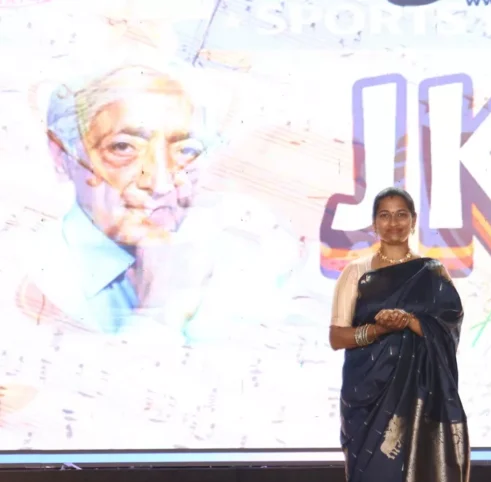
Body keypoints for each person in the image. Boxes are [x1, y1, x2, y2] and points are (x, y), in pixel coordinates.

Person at [30, 62, 297, 342]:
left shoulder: (239, 262)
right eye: (123, 147)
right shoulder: (31, 277)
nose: (161, 183)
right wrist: (159, 313)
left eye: (186, 150)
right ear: (61, 156)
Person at [329, 186, 471, 482]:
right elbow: (337, 337)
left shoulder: (432, 273)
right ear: (374, 223)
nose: (393, 223)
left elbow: (447, 331)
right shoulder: (356, 273)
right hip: (367, 402)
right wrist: (378, 330)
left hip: (416, 405)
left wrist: (410, 321)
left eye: (401, 214)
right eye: (385, 215)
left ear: (412, 220)